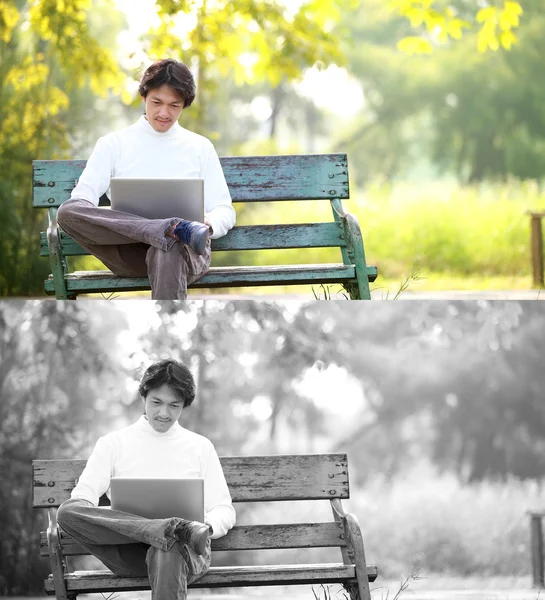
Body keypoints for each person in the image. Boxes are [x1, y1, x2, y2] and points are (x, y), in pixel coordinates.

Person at [56, 59, 236, 300]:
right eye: (157, 102)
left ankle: (173, 235)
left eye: (174, 105)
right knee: (67, 212)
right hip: (129, 254)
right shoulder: (113, 144)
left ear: (184, 105)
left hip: (184, 255)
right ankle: (170, 229)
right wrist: (154, 229)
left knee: (168, 247)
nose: (164, 113)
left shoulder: (199, 147)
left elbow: (225, 209)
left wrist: (206, 222)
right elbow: (81, 201)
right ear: (143, 97)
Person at [57, 359, 236, 600]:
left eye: (174, 405)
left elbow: (224, 509)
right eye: (156, 402)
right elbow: (82, 500)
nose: (164, 413)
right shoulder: (113, 444)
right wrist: (153, 528)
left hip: (184, 554)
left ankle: (175, 533)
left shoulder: (200, 447)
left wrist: (205, 523)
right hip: (129, 554)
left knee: (169, 547)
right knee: (67, 512)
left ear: (184, 405)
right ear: (144, 397)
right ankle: (172, 529)